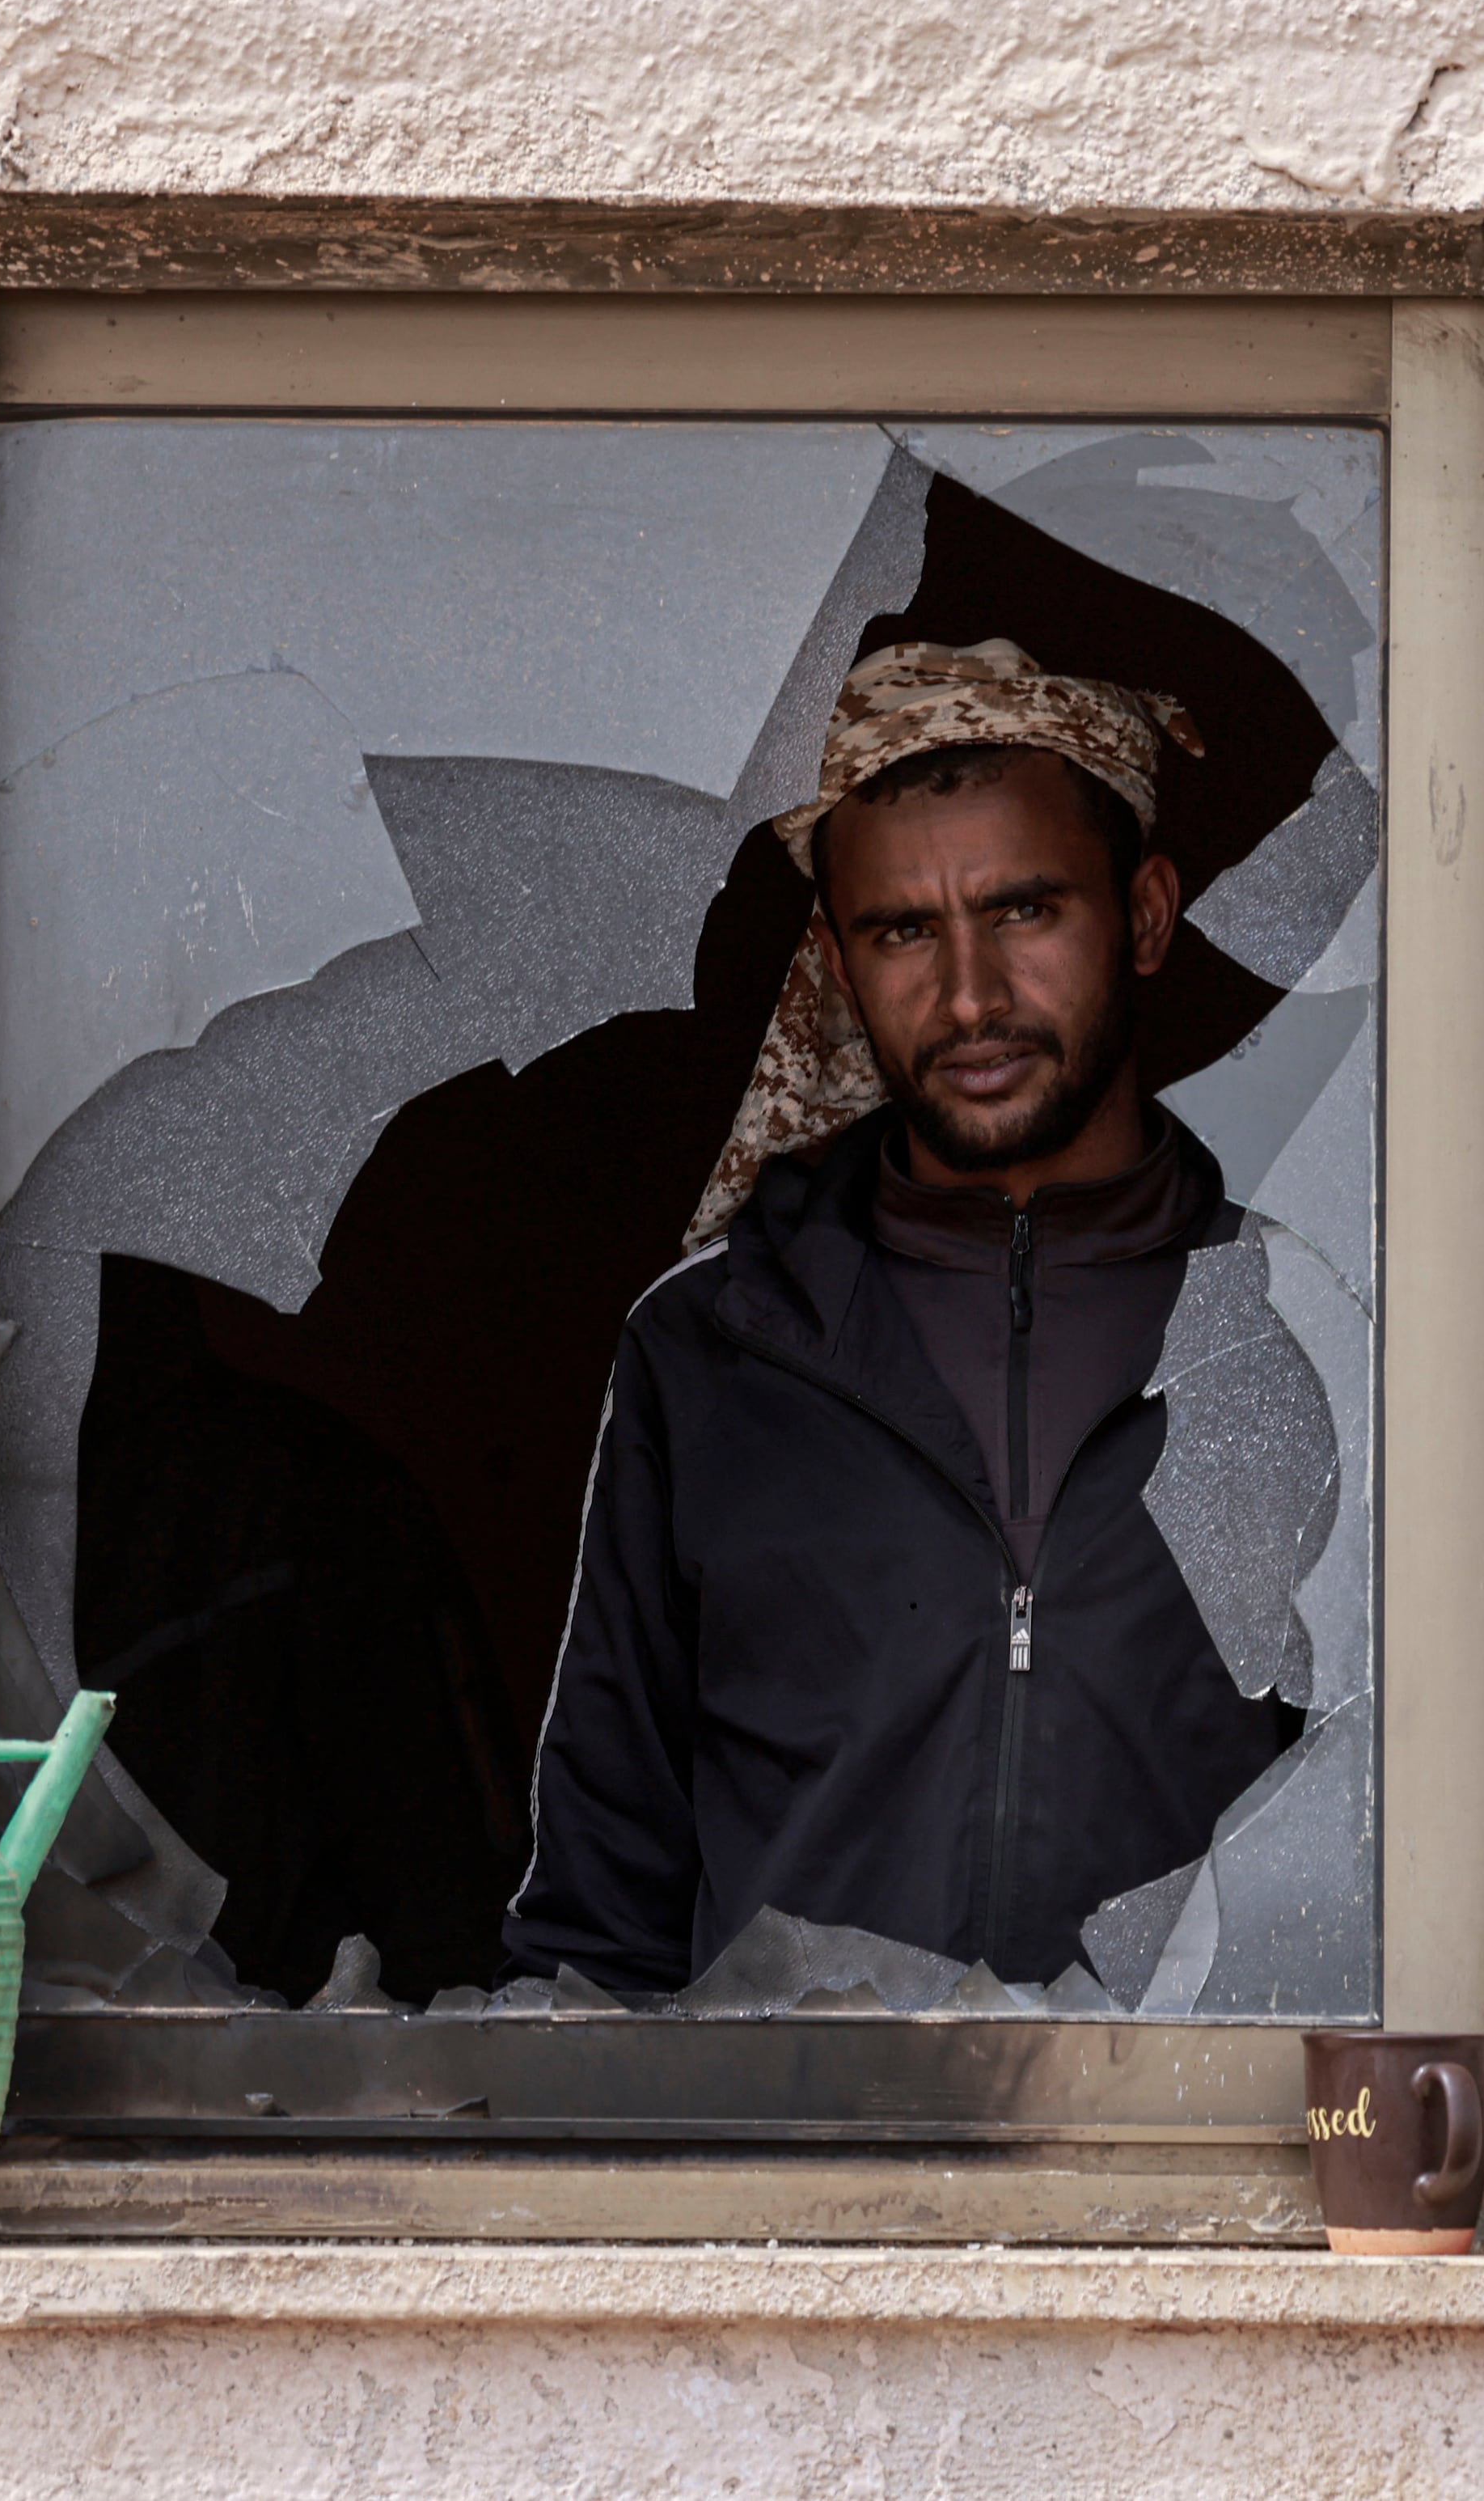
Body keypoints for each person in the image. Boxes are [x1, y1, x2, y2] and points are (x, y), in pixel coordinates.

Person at [502, 639, 1316, 1998]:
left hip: (1191, 2172)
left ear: (1149, 914)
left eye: (1025, 912)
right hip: (791, 2179)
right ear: (834, 961)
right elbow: (600, 1910)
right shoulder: (713, 1351)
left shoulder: (1305, 1340)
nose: (970, 997)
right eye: (901, 933)